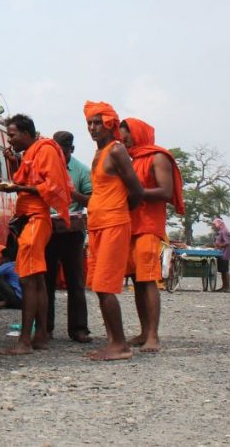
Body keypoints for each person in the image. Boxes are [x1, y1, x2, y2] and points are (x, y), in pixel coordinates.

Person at [0, 114, 72, 356]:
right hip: (32, 220)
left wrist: (17, 188)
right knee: (38, 281)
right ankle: (40, 337)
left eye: (12, 135)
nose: (10, 141)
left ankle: (24, 341)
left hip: (37, 220)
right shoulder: (31, 152)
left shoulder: (45, 150)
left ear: (27, 134)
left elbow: (51, 187)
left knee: (28, 281)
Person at [83, 101, 144, 362]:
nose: (93, 127)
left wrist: (117, 213)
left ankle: (120, 346)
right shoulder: (99, 153)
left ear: (110, 124)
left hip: (113, 225)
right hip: (97, 225)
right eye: (90, 123)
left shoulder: (117, 150)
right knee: (98, 286)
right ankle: (112, 342)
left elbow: (137, 192)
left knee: (106, 286)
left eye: (98, 122)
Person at [121, 117, 186, 351]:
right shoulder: (132, 160)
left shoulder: (158, 157)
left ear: (138, 133)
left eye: (126, 136)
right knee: (137, 280)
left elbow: (165, 191)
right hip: (131, 225)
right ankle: (143, 331)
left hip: (148, 225)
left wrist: (134, 193)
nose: (123, 140)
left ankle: (153, 336)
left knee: (148, 279)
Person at [45, 131, 92, 344]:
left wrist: (70, 192)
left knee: (75, 282)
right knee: (46, 281)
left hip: (72, 233)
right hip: (48, 230)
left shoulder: (82, 170)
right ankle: (45, 328)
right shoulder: (45, 166)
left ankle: (79, 329)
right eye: (55, 150)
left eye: (63, 151)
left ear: (71, 150)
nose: (59, 155)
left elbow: (92, 200)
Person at [211, 218, 230, 292]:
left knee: (225, 270)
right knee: (222, 270)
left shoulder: (224, 231)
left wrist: (219, 245)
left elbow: (227, 242)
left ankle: (227, 287)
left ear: (218, 224)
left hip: (224, 253)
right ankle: (224, 287)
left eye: (214, 224)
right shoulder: (220, 231)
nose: (213, 226)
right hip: (220, 253)